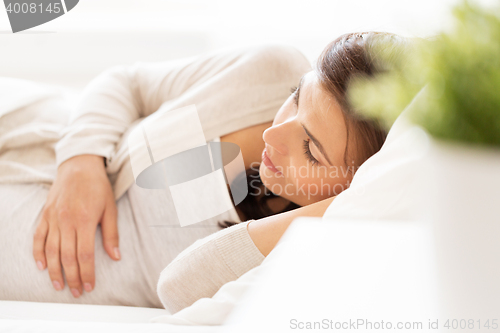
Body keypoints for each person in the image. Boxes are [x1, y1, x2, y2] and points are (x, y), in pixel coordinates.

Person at [0, 31, 402, 309]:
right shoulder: (271, 69)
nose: (274, 134)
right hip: (28, 128)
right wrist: (80, 161)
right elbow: (128, 83)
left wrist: (342, 209)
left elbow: (178, 287)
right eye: (296, 97)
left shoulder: (300, 255)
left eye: (310, 150)